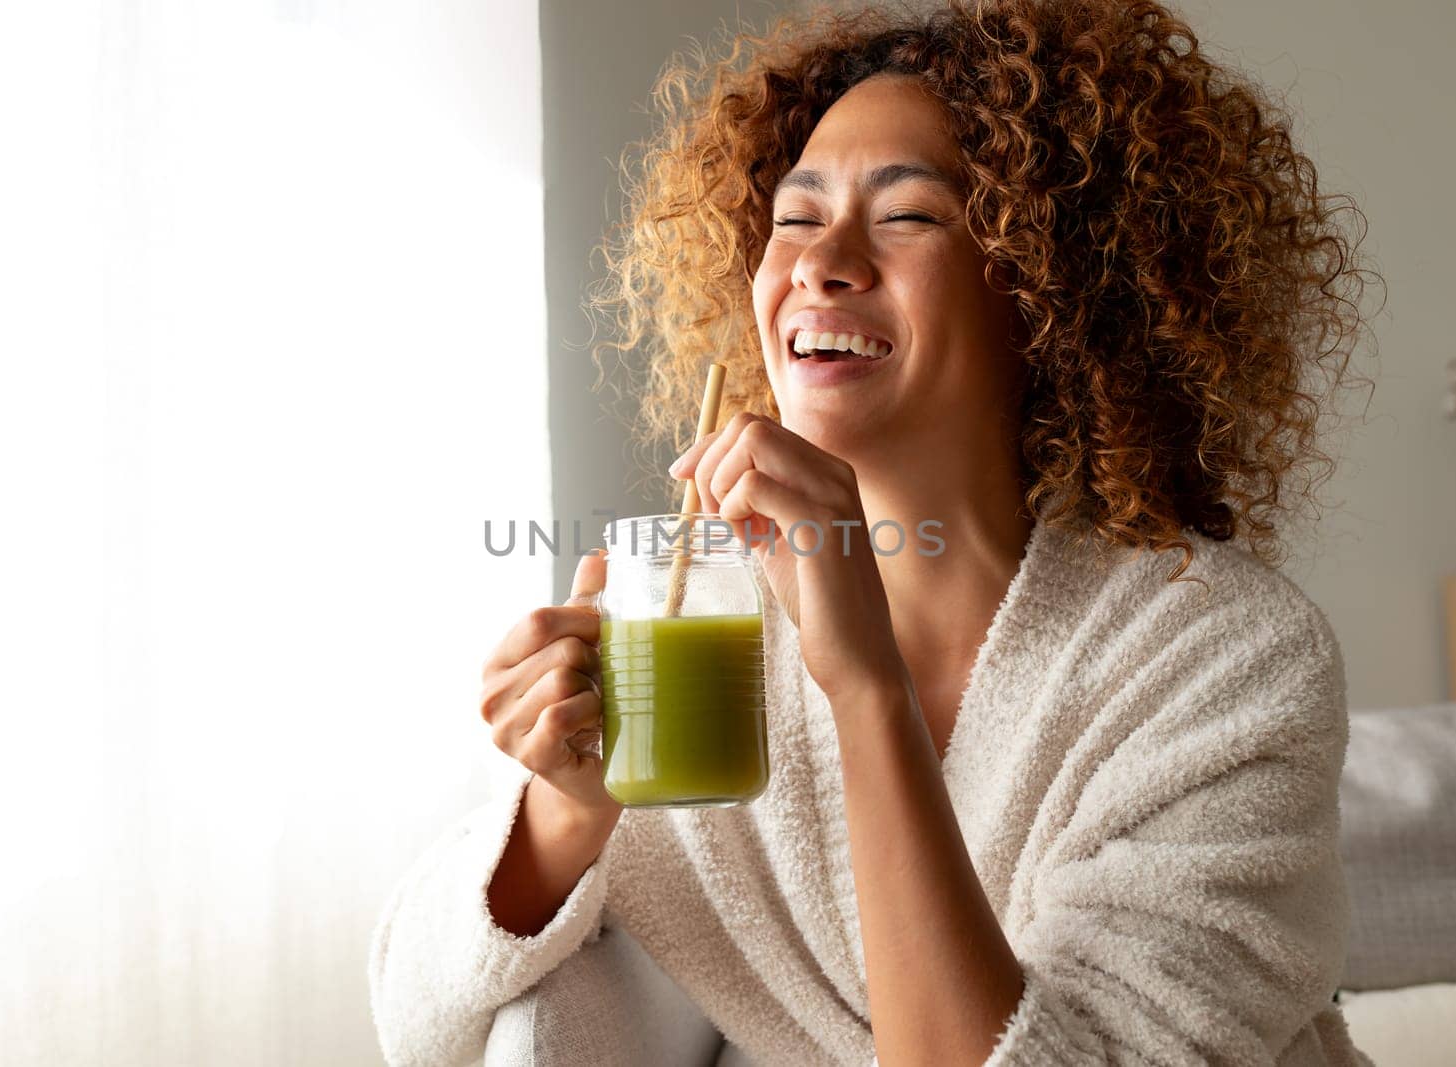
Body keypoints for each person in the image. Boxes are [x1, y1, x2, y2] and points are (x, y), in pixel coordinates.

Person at [370, 1, 1375, 1063]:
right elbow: (422, 1029)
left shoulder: (1222, 656)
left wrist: (864, 684)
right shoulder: (683, 616)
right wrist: (560, 817)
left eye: (908, 218)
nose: (820, 261)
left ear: (1050, 289)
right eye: (795, 218)